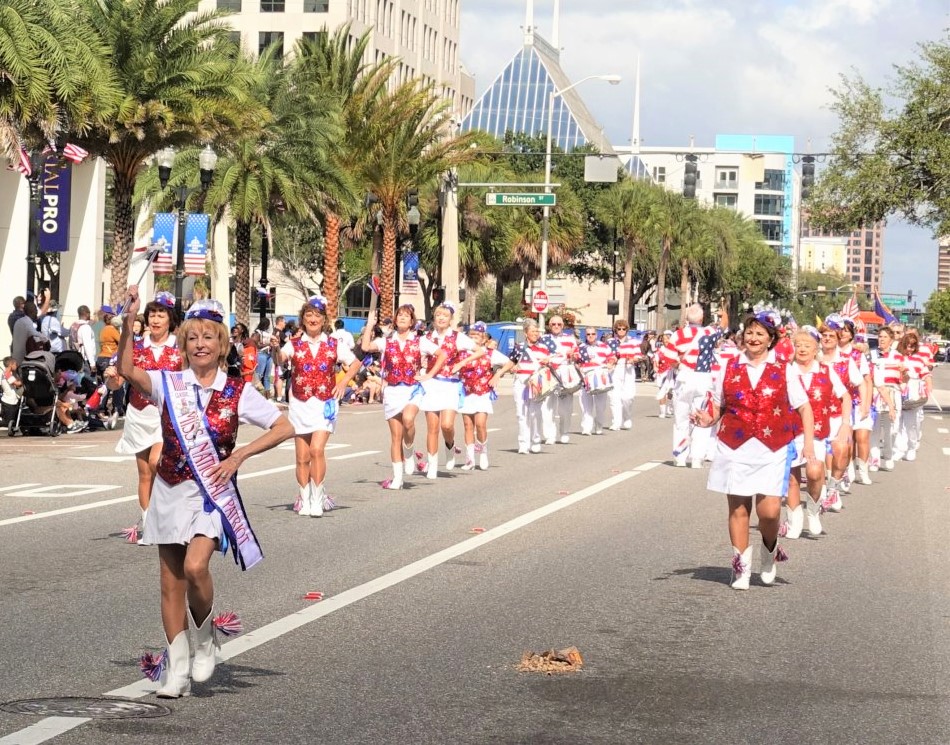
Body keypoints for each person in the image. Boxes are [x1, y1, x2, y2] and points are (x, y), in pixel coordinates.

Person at [117, 287, 293, 698]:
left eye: (208, 337)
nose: (200, 344)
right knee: (170, 581)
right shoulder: (167, 383)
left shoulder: (238, 391)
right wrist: (128, 323)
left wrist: (240, 456)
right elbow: (127, 368)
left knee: (196, 567)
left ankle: (207, 636)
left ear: (222, 344)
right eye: (192, 337)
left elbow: (284, 426)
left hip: (211, 494)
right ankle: (176, 669)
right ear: (184, 343)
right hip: (169, 489)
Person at [692, 310, 815, 590]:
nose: (753, 338)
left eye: (760, 333)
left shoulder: (785, 368)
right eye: (749, 332)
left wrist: (807, 444)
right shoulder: (727, 366)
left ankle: (769, 550)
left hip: (773, 447)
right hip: (734, 445)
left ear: (771, 339)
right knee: (738, 508)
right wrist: (706, 419)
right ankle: (741, 568)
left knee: (770, 512)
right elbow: (717, 406)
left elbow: (804, 407)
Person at [277, 296, 361, 517]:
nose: (313, 319)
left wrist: (343, 382)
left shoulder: (334, 343)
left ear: (324, 319)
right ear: (303, 319)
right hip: (300, 402)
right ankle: (304, 499)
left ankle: (318, 498)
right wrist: (276, 349)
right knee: (302, 457)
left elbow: (355, 363)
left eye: (317, 315)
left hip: (325, 403)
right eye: (309, 315)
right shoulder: (293, 343)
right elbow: (281, 358)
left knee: (316, 450)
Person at [116, 291, 181, 541]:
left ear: (170, 318)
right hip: (138, 413)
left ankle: (167, 516)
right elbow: (117, 380)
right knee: (144, 473)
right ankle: (149, 527)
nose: (155, 319)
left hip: (167, 414)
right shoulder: (137, 346)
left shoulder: (180, 345)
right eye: (152, 313)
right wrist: (113, 378)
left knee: (157, 462)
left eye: (161, 314)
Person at [360, 301, 444, 490]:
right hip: (392, 390)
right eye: (400, 315)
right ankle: (397, 478)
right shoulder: (386, 341)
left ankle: (410, 449)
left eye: (407, 315)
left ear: (412, 320)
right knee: (395, 436)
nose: (403, 317)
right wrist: (370, 325)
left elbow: (442, 354)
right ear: (396, 320)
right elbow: (365, 347)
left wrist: (429, 374)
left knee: (408, 420)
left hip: (412, 388)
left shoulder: (420, 341)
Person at [782, 327, 850, 538]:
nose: (802, 349)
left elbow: (845, 396)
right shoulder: (786, 371)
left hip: (818, 432)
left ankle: (813, 510)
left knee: (814, 472)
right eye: (798, 345)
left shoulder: (826, 371)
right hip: (789, 431)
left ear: (815, 349)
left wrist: (845, 423)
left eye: (807, 346)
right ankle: (794, 520)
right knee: (792, 479)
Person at [660, 305, 729, 467]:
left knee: (681, 419)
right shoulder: (709, 332)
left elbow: (668, 357)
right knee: (700, 416)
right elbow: (724, 326)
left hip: (684, 377)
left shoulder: (678, 335)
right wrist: (723, 314)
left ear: (687, 318)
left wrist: (679, 365)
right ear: (701, 318)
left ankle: (680, 457)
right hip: (704, 378)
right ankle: (697, 458)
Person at [419, 302, 479, 478]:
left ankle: (450, 445)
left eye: (445, 316)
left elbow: (480, 351)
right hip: (431, 383)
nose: (441, 318)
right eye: (438, 315)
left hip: (451, 384)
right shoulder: (427, 337)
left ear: (451, 319)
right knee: (432, 427)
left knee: (447, 425)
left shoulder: (458, 337)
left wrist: (461, 363)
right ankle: (432, 464)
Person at [451, 321, 514, 470]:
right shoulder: (462, 353)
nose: (474, 338)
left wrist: (497, 374)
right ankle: (470, 458)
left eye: (478, 336)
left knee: (480, 424)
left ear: (484, 339)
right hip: (466, 392)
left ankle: (483, 452)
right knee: (468, 425)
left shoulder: (490, 353)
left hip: (482, 393)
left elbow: (510, 363)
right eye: (471, 335)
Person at [833, 315, 873, 485]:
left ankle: (863, 470)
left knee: (862, 437)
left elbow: (867, 381)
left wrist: (866, 405)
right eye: (840, 331)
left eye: (846, 331)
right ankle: (847, 472)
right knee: (847, 442)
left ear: (851, 335)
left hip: (859, 402)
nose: (842, 334)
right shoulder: (829, 353)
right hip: (841, 404)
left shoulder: (858, 355)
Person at [510, 318, 559, 454]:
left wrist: (548, 360)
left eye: (537, 331)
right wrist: (513, 368)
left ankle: (535, 440)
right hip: (521, 382)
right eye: (532, 331)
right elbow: (511, 363)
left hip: (537, 383)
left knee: (535, 413)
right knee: (521, 413)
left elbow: (553, 363)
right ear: (526, 333)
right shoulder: (519, 347)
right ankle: (523, 443)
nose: (536, 333)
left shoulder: (544, 348)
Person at [868, 326, 904, 472]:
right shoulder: (871, 355)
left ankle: (888, 455)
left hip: (893, 393)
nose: (881, 339)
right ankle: (874, 459)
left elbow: (903, 378)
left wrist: (904, 372)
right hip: (876, 393)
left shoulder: (898, 356)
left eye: (885, 337)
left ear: (891, 340)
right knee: (875, 428)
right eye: (880, 336)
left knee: (891, 429)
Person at [542, 314, 580, 444]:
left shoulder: (570, 339)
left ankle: (564, 432)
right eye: (553, 324)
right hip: (548, 373)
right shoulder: (543, 339)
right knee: (547, 407)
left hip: (564, 373)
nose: (556, 326)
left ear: (563, 326)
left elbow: (576, 356)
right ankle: (549, 435)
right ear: (549, 325)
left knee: (565, 408)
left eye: (559, 324)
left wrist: (573, 355)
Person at [896, 330, 931, 461]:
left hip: (913, 391)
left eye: (913, 345)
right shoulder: (896, 357)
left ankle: (911, 447)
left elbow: (926, 375)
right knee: (897, 423)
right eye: (907, 345)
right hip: (897, 390)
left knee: (911, 423)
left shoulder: (919, 359)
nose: (909, 348)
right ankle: (899, 448)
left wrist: (928, 389)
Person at [606, 319, 642, 433]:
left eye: (623, 329)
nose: (621, 331)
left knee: (628, 397)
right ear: (615, 330)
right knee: (614, 397)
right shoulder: (610, 342)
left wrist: (633, 359)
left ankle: (627, 416)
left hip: (628, 369)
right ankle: (616, 422)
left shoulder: (633, 341)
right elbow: (606, 355)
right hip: (615, 370)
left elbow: (638, 356)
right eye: (619, 329)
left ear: (627, 330)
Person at [576, 327, 614, 436]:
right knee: (586, 406)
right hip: (586, 379)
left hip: (601, 378)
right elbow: (576, 362)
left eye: (593, 334)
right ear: (585, 335)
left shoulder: (604, 346)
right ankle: (586, 428)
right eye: (588, 334)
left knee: (601, 407)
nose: (590, 336)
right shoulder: (581, 348)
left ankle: (599, 425)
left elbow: (612, 358)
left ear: (596, 335)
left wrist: (610, 363)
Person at [11, 298, 40, 365]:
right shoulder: (22, 318)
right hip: (23, 350)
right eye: (24, 303)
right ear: (21, 305)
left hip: (16, 347)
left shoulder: (11, 316)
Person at [69, 305, 98, 372]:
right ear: (86, 313)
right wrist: (92, 364)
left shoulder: (73, 325)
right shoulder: (86, 327)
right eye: (89, 312)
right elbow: (87, 346)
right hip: (85, 360)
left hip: (75, 357)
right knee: (90, 381)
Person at [252, 318, 274, 398]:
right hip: (261, 354)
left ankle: (267, 396)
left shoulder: (268, 333)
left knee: (267, 376)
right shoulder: (258, 333)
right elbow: (256, 344)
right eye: (268, 324)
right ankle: (255, 394)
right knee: (259, 374)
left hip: (269, 355)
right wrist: (268, 344)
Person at [1, 356, 22, 428]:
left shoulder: (7, 373)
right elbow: (17, 383)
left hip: (11, 400)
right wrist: (24, 381)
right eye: (15, 364)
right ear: (11, 364)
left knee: (12, 421)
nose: (16, 366)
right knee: (7, 423)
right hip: (9, 401)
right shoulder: (7, 374)